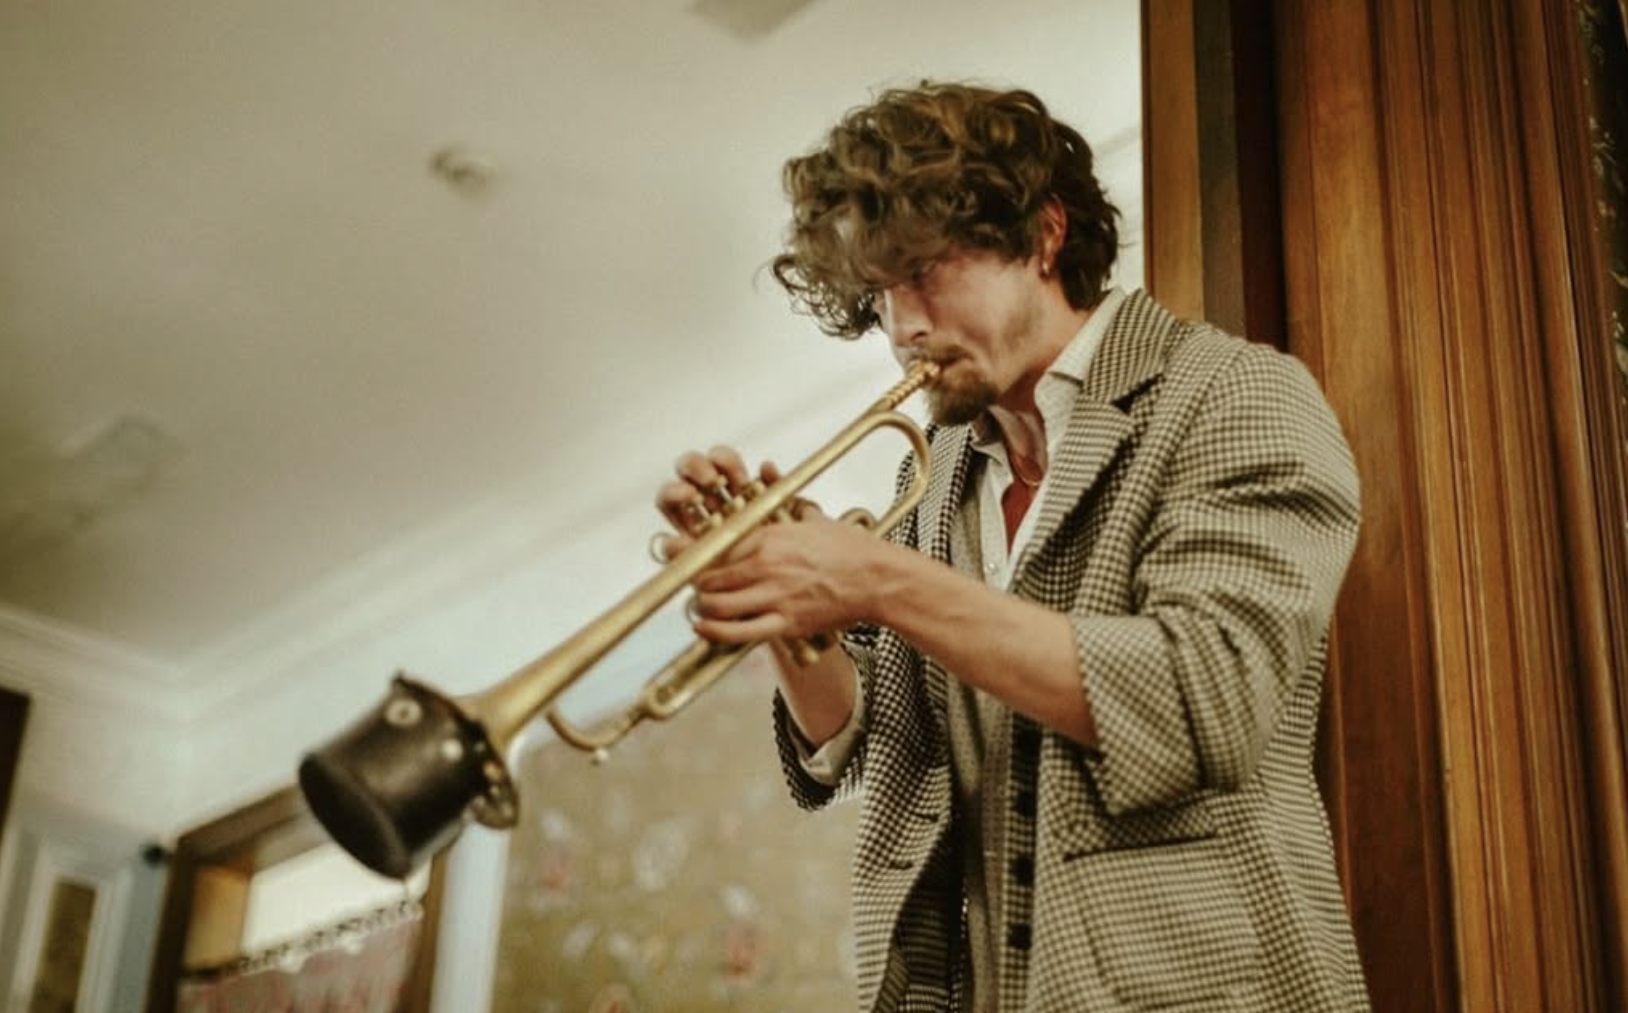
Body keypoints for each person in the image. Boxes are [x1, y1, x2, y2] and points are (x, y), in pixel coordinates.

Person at [654, 82, 1370, 1012]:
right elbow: (867, 741)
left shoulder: (1234, 393)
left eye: (926, 272)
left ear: (1042, 235)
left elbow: (1207, 696)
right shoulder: (945, 465)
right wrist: (786, 614)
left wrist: (875, 575)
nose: (904, 326)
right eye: (880, 297)